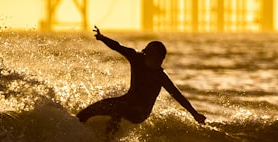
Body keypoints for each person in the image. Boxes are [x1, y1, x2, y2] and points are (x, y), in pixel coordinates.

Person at [77, 26, 207, 135]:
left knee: (119, 107)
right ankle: (77, 132)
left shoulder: (160, 76)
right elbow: (118, 46)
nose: (157, 62)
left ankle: (109, 140)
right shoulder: (136, 58)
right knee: (87, 112)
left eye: (160, 60)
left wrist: (195, 114)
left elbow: (177, 95)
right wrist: (102, 37)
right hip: (126, 101)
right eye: (151, 56)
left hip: (140, 113)